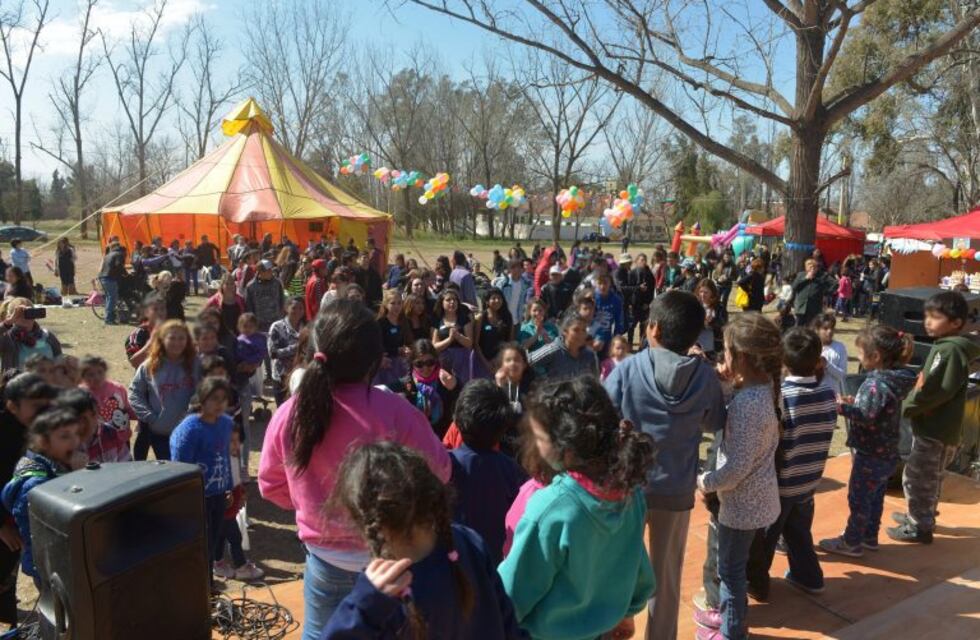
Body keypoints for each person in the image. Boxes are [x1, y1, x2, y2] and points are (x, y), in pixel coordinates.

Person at [258, 299, 451, 640]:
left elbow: (270, 485)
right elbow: (440, 470)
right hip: (390, 559)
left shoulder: (289, 413)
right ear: (375, 360)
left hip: (324, 559)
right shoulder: (396, 411)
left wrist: (309, 502)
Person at [604, 291, 726, 640]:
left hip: (627, 489)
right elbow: (714, 420)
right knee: (666, 577)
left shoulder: (627, 369)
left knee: (615, 569)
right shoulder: (705, 378)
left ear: (652, 328)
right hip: (675, 491)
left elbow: (602, 416)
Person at [499, 376, 655, 640]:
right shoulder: (632, 493)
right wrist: (626, 613)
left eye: (539, 437)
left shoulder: (550, 510)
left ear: (566, 449)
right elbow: (639, 571)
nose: (535, 444)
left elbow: (511, 596)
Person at [322, 442, 526, 639]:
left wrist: (362, 607)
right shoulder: (467, 542)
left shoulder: (382, 598)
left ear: (367, 524)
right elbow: (507, 622)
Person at [696, 313, 783, 640]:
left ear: (743, 358)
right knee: (735, 567)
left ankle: (733, 633)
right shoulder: (766, 386)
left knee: (730, 574)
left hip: (741, 507)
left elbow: (735, 469)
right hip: (758, 500)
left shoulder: (748, 404)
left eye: (728, 353)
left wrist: (706, 481)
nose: (724, 358)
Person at [739, 328, 837, 614]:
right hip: (808, 480)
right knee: (798, 532)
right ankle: (810, 578)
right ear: (818, 360)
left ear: (781, 359)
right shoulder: (828, 393)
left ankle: (757, 584)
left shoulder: (785, 396)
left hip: (781, 485)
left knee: (766, 539)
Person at [818, 326, 916, 557]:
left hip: (870, 452)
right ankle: (870, 537)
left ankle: (851, 542)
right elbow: (876, 409)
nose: (858, 358)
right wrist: (856, 402)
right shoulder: (892, 381)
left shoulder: (875, 385)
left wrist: (840, 406)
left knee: (859, 499)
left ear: (875, 357)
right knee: (875, 497)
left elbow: (865, 415)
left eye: (860, 354)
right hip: (887, 452)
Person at [891, 291, 980, 544]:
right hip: (937, 427)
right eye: (926, 317)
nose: (927, 322)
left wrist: (906, 407)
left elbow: (934, 389)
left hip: (934, 429)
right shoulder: (947, 347)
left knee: (918, 477)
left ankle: (920, 526)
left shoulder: (949, 351)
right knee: (929, 476)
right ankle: (921, 514)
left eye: (935, 317)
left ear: (956, 323)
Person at [448, 380, 526, 565]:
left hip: (455, 565)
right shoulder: (512, 469)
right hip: (496, 564)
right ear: (504, 426)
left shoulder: (446, 465)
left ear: (457, 419)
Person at [0, 373, 57, 623]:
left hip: (19, 511)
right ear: (12, 405)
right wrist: (0, 526)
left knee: (8, 573)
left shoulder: (35, 426)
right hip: (3, 522)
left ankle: (8, 615)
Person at [2, 407, 80, 584]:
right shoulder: (33, 485)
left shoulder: (54, 464)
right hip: (48, 566)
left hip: (59, 559)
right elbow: (41, 532)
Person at [170, 376, 235, 586]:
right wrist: (185, 498)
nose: (219, 404)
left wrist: (228, 487)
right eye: (214, 398)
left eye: (224, 399)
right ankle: (195, 586)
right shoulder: (189, 429)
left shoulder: (226, 423)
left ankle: (208, 585)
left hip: (217, 494)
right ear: (202, 399)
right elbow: (180, 467)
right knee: (197, 544)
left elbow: (225, 457)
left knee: (212, 542)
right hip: (197, 498)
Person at [128, 320, 200, 461]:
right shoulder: (149, 365)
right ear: (162, 340)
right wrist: (149, 416)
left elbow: (204, 391)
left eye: (181, 338)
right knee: (170, 474)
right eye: (172, 338)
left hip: (188, 431)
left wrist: (191, 412)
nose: (177, 342)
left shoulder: (196, 364)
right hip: (160, 433)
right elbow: (135, 392)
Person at [392, 339, 459, 439]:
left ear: (436, 361)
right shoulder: (405, 384)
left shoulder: (445, 379)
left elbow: (463, 404)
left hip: (443, 437)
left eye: (430, 362)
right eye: (419, 364)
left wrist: (455, 387)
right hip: (416, 440)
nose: (425, 368)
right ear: (412, 363)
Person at [55, 387, 132, 465]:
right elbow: (45, 474)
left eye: (84, 419)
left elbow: (128, 466)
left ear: (96, 414)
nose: (80, 426)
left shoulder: (110, 433)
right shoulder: (60, 445)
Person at [79, 355, 134, 448]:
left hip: (121, 439)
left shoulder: (117, 389)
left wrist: (141, 416)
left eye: (100, 372)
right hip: (96, 443)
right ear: (82, 377)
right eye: (90, 374)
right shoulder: (80, 394)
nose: (96, 377)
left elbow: (127, 409)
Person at [527, 312, 598, 380]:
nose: (581, 334)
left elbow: (595, 383)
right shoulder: (553, 350)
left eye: (584, 330)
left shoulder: (589, 355)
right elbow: (527, 361)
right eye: (576, 330)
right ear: (565, 332)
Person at [0, 298, 63, 371]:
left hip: (46, 381)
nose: (25, 318)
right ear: (11, 316)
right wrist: (7, 323)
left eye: (29, 313)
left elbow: (60, 362)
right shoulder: (7, 338)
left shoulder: (47, 336)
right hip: (18, 381)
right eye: (20, 314)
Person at [432, 289, 475, 385]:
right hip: (444, 362)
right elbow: (434, 346)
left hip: (462, 362)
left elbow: (469, 343)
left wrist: (458, 336)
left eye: (455, 300)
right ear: (441, 303)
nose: (452, 302)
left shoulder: (464, 319)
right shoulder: (438, 320)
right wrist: (449, 339)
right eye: (448, 300)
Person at [268, 297, 306, 405]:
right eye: (294, 308)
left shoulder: (307, 328)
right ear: (286, 308)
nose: (297, 311)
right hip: (281, 377)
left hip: (300, 377)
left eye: (301, 308)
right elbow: (273, 353)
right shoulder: (276, 327)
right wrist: (297, 347)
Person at [475, 287, 514, 369]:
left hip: (501, 361)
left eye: (499, 298)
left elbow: (510, 341)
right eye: (493, 298)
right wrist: (486, 363)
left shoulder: (507, 317)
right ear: (487, 301)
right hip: (483, 361)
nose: (497, 301)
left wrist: (500, 360)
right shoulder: (480, 318)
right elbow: (476, 344)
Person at [811, 313, 847, 399]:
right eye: (825, 328)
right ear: (817, 330)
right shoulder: (811, 346)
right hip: (813, 394)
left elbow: (842, 375)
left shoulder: (839, 347)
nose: (830, 331)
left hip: (831, 395)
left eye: (832, 328)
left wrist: (827, 364)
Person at [791, 259, 832, 328]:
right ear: (806, 268)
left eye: (814, 267)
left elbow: (835, 284)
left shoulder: (822, 276)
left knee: (811, 327)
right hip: (801, 307)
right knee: (798, 328)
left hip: (814, 308)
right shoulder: (800, 275)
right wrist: (805, 278)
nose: (812, 269)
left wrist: (826, 293)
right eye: (810, 267)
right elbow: (794, 287)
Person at [696, 278, 728, 360]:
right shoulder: (695, 305)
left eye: (706, 292)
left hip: (713, 347)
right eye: (701, 292)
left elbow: (724, 325)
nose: (702, 295)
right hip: (696, 346)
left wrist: (711, 323)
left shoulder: (719, 307)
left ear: (712, 293)